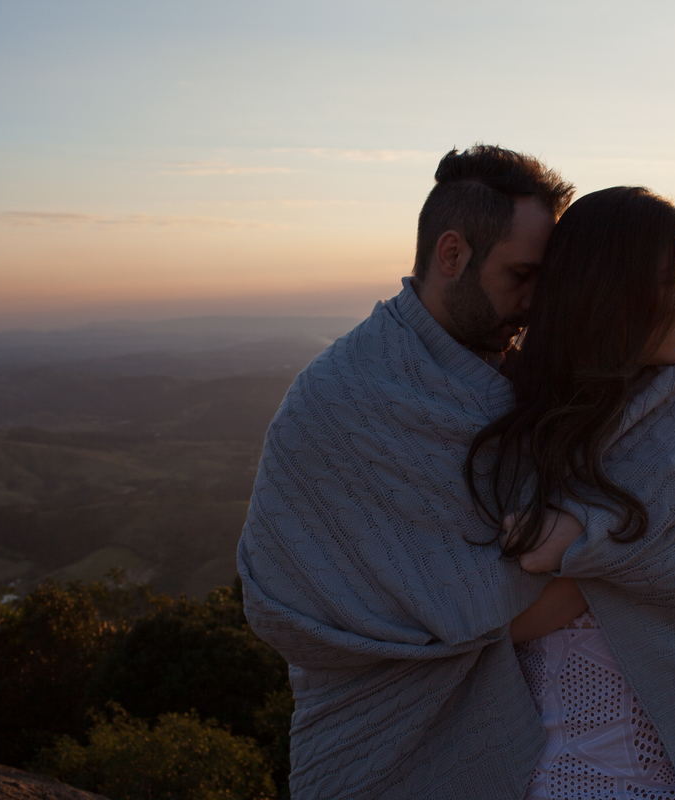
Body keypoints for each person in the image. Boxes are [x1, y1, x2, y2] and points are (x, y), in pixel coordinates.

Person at [237, 144, 577, 799]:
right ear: (452, 255)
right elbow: (284, 603)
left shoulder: (527, 384)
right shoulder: (337, 396)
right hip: (361, 742)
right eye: (521, 275)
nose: (536, 304)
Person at [466, 186, 675, 799]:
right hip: (526, 777)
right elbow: (510, 616)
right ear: (609, 289)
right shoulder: (507, 412)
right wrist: (599, 558)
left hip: (664, 778)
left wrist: (577, 536)